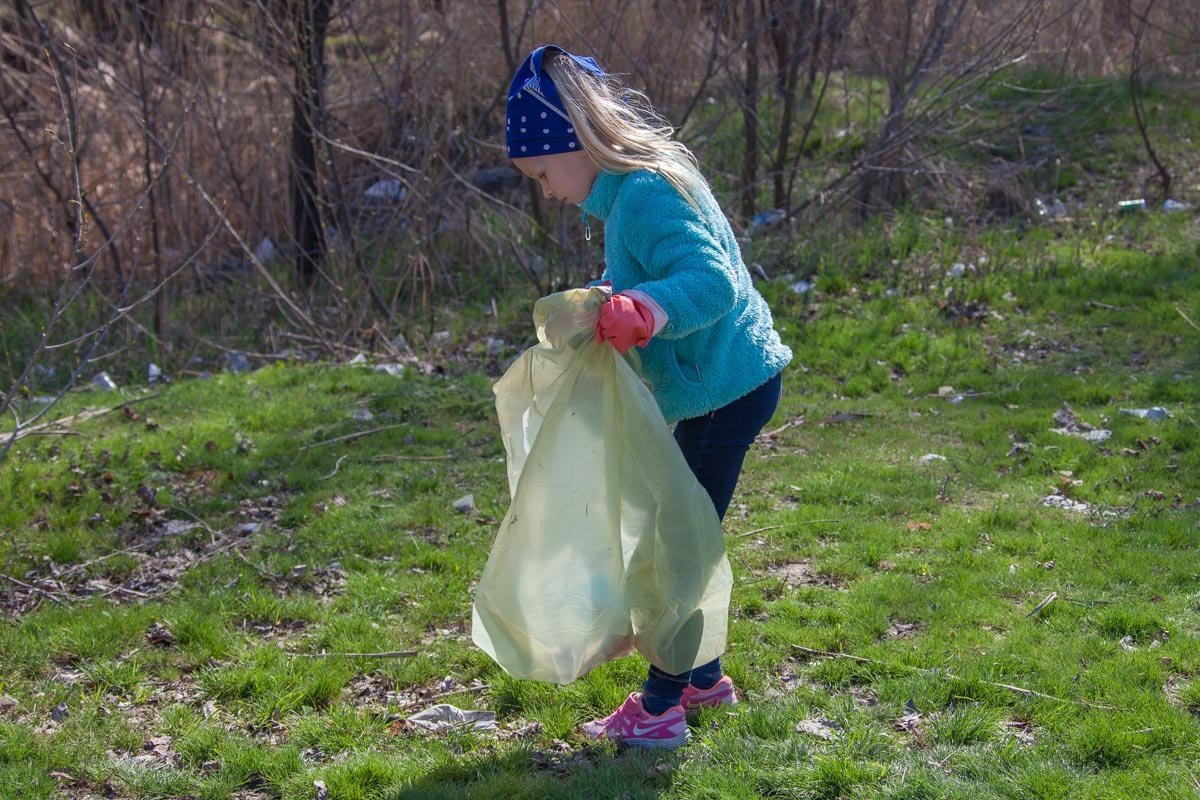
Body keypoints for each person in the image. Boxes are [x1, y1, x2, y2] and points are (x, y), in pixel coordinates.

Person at [505, 45, 793, 749]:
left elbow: (710, 281)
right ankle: (704, 679)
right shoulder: (637, 189)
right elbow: (659, 272)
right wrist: (613, 300)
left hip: (725, 388)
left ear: (577, 141)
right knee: (682, 527)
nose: (545, 190)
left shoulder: (645, 194)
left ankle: (661, 707)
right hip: (722, 384)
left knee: (675, 547)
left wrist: (647, 310)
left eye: (543, 173)